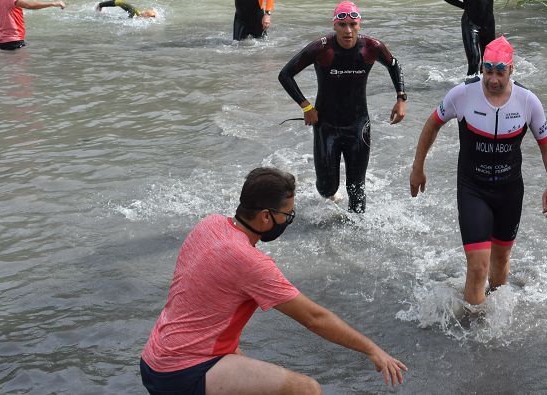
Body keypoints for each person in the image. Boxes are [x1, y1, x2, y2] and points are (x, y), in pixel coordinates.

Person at [140, 167, 407, 395]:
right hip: (183, 370)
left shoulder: (209, 224)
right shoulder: (249, 262)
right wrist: (372, 349)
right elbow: (314, 317)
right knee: (307, 390)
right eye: (287, 215)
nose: (289, 221)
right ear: (265, 217)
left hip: (155, 356)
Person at [409, 36, 547, 305]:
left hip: (509, 191)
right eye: (488, 71)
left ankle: (492, 324)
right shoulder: (462, 95)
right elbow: (432, 125)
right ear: (482, 68)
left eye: (499, 72)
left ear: (511, 70)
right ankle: (472, 330)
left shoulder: (528, 101)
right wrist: (418, 168)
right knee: (478, 266)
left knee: (500, 265)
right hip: (473, 189)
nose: (493, 79)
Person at [278, 1, 406, 213]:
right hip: (326, 125)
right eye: (342, 25)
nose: (348, 30)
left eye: (353, 24)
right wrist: (306, 106)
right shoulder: (321, 48)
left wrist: (401, 98)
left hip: (358, 125)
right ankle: (331, 195)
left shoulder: (371, 47)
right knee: (327, 187)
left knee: (357, 189)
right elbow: (285, 74)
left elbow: (394, 65)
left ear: (359, 25)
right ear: (334, 26)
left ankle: (355, 237)